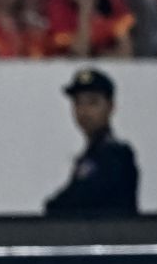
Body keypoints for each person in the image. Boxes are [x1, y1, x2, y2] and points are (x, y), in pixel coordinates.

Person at [45, 68, 139, 216]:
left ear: (110, 107)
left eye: (92, 102)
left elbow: (82, 198)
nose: (84, 111)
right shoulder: (89, 156)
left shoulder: (116, 155)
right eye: (78, 103)